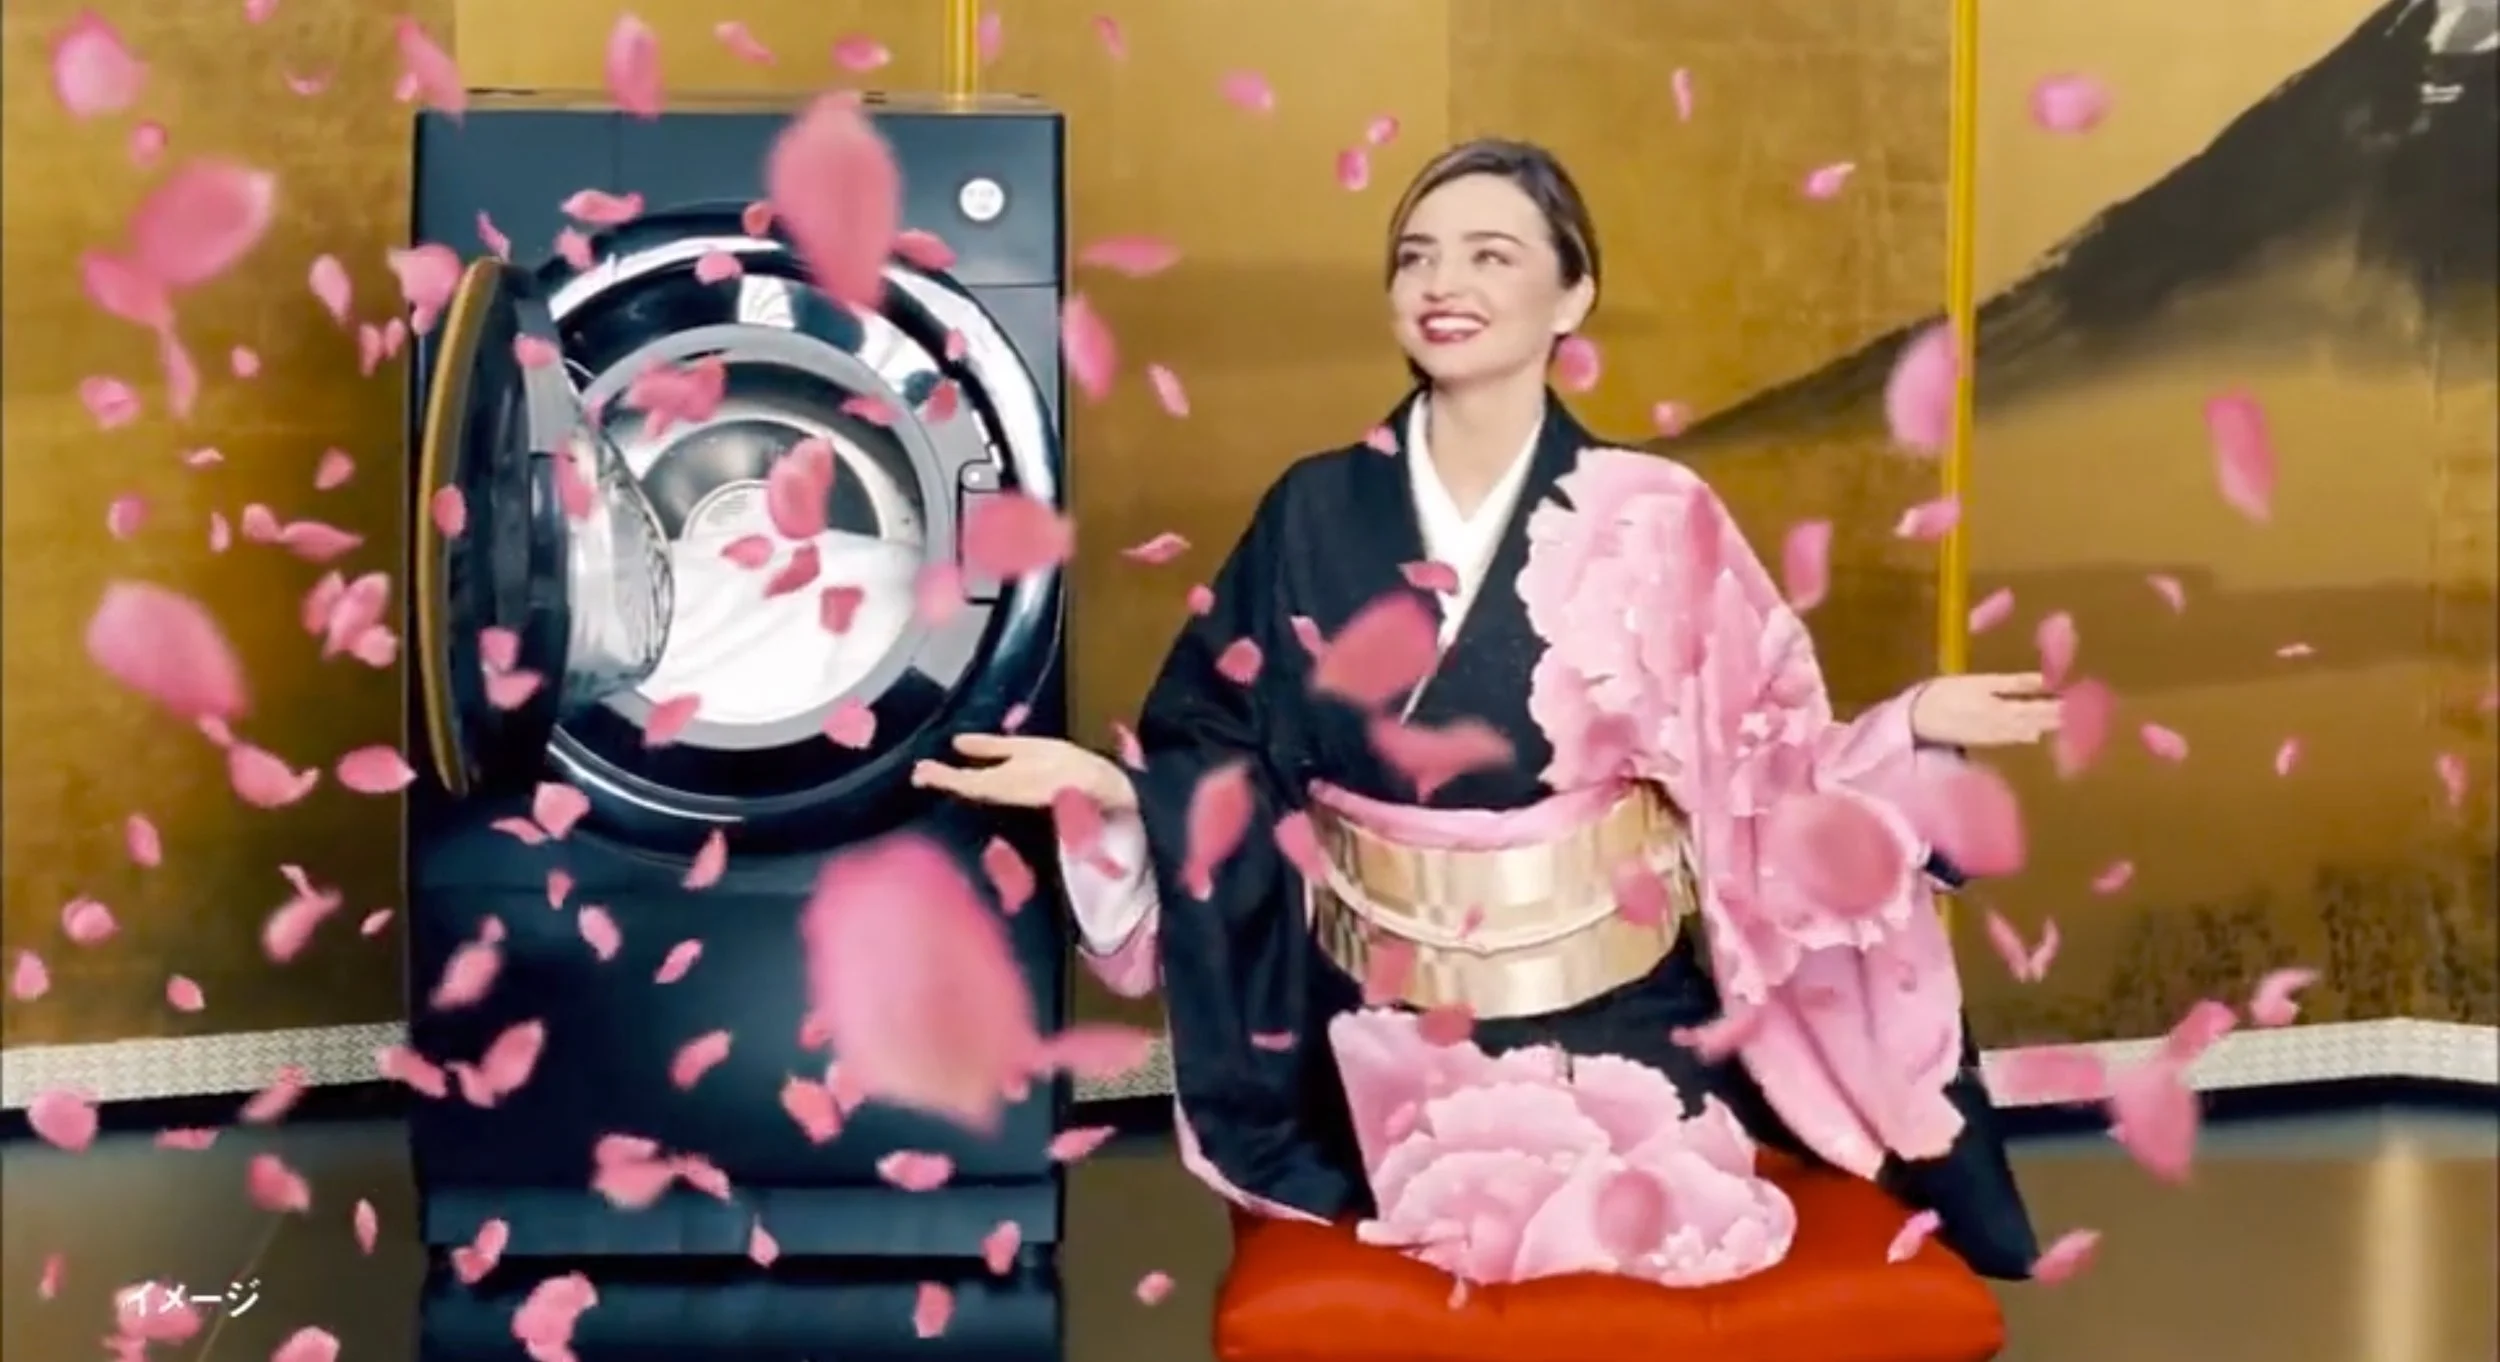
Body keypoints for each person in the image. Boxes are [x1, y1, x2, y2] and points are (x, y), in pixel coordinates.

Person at [914, 139, 2055, 1287]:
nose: (1441, 284)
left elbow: (1767, 768)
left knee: (1657, 1227)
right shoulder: (1314, 508)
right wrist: (1115, 791)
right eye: (1415, 257)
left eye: (1489, 256)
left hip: (1611, 1010)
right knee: (1467, 1210)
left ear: (1573, 295)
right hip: (1376, 1026)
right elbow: (1217, 743)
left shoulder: (1656, 514)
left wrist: (1910, 729)